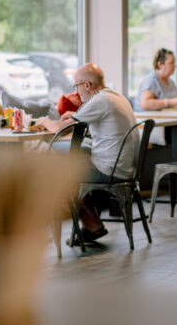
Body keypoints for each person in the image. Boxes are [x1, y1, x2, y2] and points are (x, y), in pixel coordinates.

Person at [37, 63, 139, 244]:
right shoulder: (114, 97)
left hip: (109, 169)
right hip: (125, 167)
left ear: (87, 85)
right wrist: (75, 115)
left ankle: (90, 225)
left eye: (76, 86)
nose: (76, 91)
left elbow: (58, 129)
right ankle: (92, 224)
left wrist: (43, 120)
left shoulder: (99, 101)